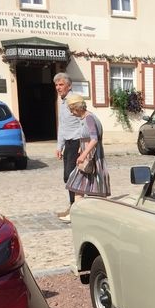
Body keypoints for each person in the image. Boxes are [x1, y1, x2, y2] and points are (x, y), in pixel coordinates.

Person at [63, 94, 111, 204]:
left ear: (77, 108)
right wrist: (81, 146)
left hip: (91, 158)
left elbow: (94, 139)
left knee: (78, 183)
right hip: (89, 156)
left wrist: (83, 154)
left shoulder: (89, 118)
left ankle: (80, 211)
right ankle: (76, 210)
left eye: (72, 110)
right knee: (80, 184)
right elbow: (88, 137)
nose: (71, 113)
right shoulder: (85, 118)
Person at [54, 72, 82, 221]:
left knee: (72, 176)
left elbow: (83, 121)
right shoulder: (63, 102)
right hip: (69, 143)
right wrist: (59, 146)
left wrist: (82, 145)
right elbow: (62, 126)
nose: (58, 88)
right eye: (56, 85)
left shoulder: (73, 100)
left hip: (77, 142)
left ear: (69, 85)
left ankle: (75, 209)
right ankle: (73, 206)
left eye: (61, 84)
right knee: (68, 177)